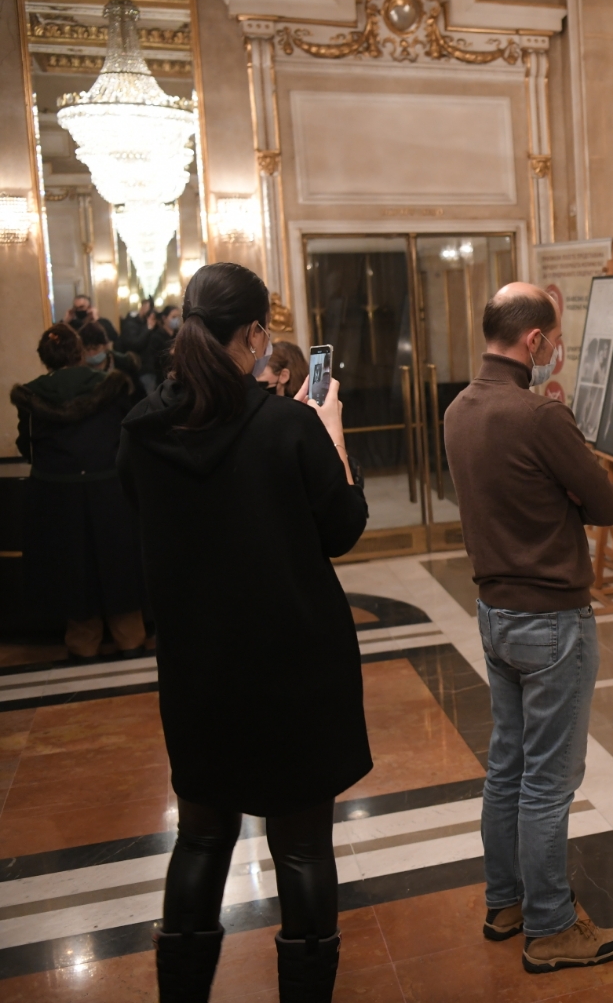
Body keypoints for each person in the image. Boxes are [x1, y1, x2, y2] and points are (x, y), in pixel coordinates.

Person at [118, 263, 370, 1002]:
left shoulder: (141, 430)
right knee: (300, 850)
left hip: (200, 669)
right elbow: (343, 529)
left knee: (200, 836)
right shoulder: (287, 424)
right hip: (294, 668)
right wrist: (332, 434)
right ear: (256, 334)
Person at [442, 283, 613, 975]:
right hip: (551, 617)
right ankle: (551, 926)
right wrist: (566, 430)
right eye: (553, 339)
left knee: (509, 768)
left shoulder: (458, 409)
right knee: (549, 782)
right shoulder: (538, 417)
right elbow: (605, 504)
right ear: (534, 342)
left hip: (494, 613)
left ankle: (507, 900)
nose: (556, 350)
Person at [10, 324, 147, 659]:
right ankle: (130, 638)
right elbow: (129, 436)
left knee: (72, 569)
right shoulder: (112, 387)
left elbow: (26, 445)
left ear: (45, 357)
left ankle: (82, 643)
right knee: (119, 564)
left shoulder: (31, 395)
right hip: (109, 490)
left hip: (56, 495)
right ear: (81, 352)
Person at [78, 320, 142, 385]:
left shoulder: (125, 364)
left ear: (106, 346)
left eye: (95, 348)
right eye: (87, 350)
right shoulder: (80, 373)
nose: (91, 353)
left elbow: (139, 393)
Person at [141, 305, 180, 395]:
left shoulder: (178, 335)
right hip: (158, 378)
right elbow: (153, 359)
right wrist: (170, 353)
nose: (176, 320)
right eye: (173, 317)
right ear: (164, 318)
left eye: (178, 317)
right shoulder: (156, 336)